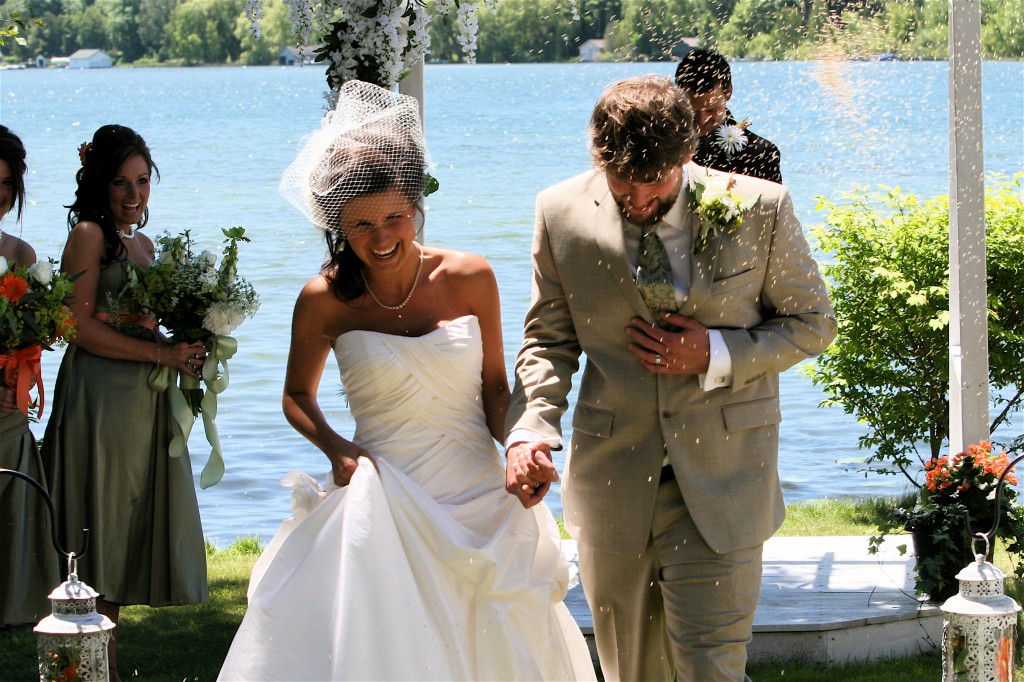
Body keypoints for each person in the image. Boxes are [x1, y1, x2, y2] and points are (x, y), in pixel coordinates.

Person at [217, 80, 594, 681]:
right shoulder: (323, 300)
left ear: (417, 206)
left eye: (395, 217)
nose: (382, 237)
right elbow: (295, 396)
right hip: (384, 494)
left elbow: (497, 392)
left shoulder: (471, 276)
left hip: (477, 496)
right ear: (337, 222)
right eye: (362, 224)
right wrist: (339, 451)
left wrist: (522, 445)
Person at [504, 76, 836, 681]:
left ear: (687, 154)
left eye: (651, 183)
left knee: (713, 669)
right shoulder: (558, 212)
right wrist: (531, 430)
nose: (635, 200)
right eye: (620, 184)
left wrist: (714, 351)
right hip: (612, 481)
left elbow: (813, 323)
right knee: (633, 672)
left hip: (726, 478)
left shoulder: (761, 208)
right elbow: (548, 340)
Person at [41, 125, 209, 679]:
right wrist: (160, 357)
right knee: (100, 530)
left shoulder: (143, 245)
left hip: (142, 402)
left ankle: (102, 665)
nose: (134, 194)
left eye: (142, 181)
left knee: (127, 529)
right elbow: (76, 328)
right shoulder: (88, 235)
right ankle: (91, 667)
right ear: (98, 183)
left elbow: (142, 327)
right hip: (100, 402)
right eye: (121, 182)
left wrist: (179, 349)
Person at [0, 124, 60, 627]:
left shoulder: (20, 256)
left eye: (5, 184)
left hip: (8, 406)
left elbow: (29, 337)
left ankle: (15, 604)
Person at [675, 48, 783, 183]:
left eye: (711, 110)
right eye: (692, 111)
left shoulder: (761, 154)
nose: (701, 121)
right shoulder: (664, 146)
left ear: (728, 92)